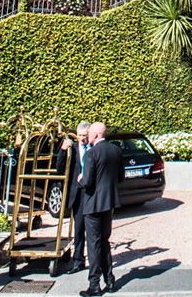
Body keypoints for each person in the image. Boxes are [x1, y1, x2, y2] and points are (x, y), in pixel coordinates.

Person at [78, 122, 124, 296]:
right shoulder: (116, 151)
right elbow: (121, 178)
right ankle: (110, 281)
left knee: (93, 244)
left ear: (96, 135)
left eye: (89, 134)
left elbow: (87, 181)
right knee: (104, 241)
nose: (87, 137)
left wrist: (80, 179)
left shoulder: (91, 153)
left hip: (93, 204)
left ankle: (94, 284)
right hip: (109, 203)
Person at [56, 120, 91, 273]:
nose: (81, 138)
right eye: (79, 135)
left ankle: (97, 260)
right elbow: (59, 168)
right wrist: (63, 151)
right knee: (78, 228)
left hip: (91, 192)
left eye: (84, 136)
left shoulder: (95, 148)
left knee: (93, 229)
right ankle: (78, 260)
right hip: (77, 193)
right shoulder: (73, 149)